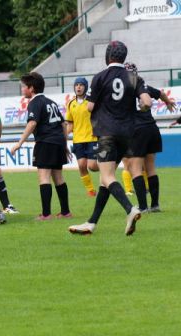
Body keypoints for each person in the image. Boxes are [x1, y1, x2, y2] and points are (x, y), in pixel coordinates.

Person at [68, 41, 152, 236]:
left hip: (105, 133)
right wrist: (142, 107)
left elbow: (89, 107)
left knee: (107, 176)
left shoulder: (99, 77)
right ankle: (91, 223)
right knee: (104, 179)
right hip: (127, 134)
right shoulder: (133, 77)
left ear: (107, 56)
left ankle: (130, 209)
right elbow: (146, 102)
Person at [11, 72, 72, 221]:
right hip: (58, 142)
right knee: (58, 177)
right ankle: (65, 212)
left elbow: (32, 123)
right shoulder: (51, 102)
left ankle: (46, 214)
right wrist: (64, 145)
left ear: (31, 88)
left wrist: (19, 143)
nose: (22, 89)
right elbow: (63, 124)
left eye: (23, 87)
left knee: (44, 177)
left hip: (45, 142)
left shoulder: (35, 102)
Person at [125, 62, 176, 212]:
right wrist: (167, 102)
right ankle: (155, 205)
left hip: (137, 131)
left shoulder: (124, 90)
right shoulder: (144, 87)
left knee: (135, 169)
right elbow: (160, 93)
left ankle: (142, 207)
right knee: (151, 168)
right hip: (152, 129)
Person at [65, 77, 99, 196]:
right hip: (78, 140)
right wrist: (64, 137)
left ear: (86, 87)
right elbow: (70, 123)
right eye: (76, 85)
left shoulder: (91, 102)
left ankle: (107, 169)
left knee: (93, 166)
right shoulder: (71, 104)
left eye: (81, 85)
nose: (78, 87)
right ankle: (90, 190)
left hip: (92, 138)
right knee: (81, 165)